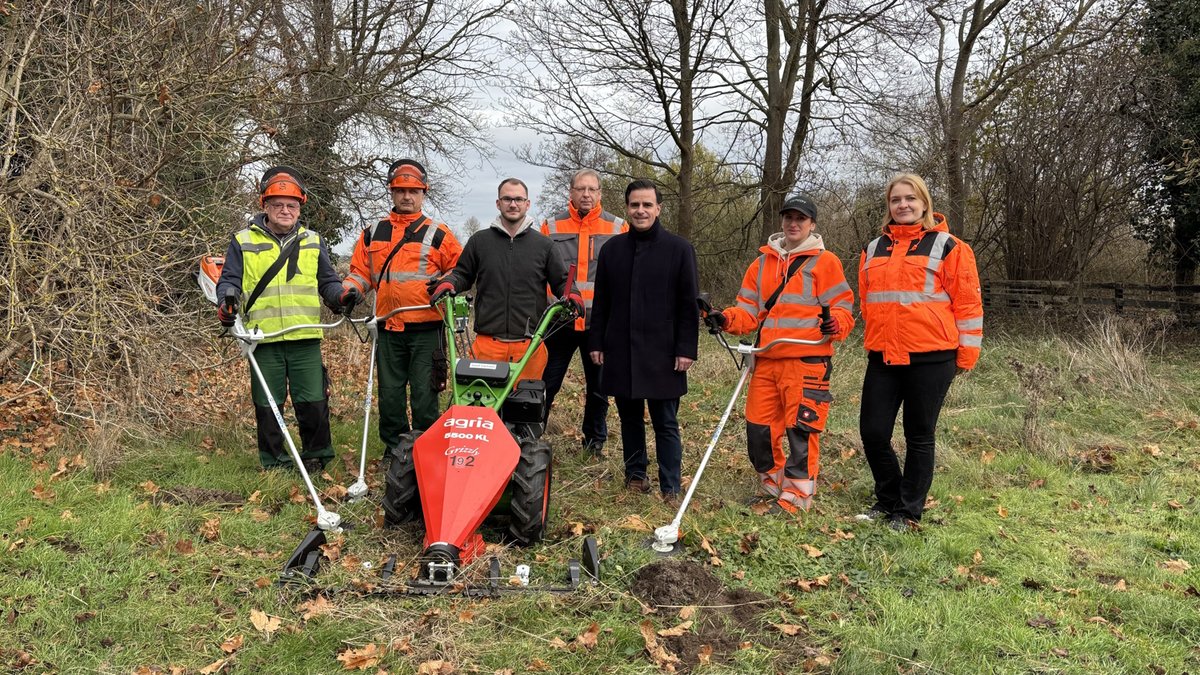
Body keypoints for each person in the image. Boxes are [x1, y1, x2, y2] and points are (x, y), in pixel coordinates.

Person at [704, 194, 855, 515]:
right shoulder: (761, 263)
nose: (793, 223)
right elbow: (747, 311)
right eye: (789, 217)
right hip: (766, 360)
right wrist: (725, 319)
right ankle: (771, 485)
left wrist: (835, 323)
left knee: (801, 431)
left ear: (812, 224)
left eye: (801, 218)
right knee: (758, 429)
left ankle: (797, 497)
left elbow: (844, 310)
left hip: (807, 363)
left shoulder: (826, 263)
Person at [856, 173, 983, 532]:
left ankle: (908, 511)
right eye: (896, 200)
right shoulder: (872, 248)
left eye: (910, 198)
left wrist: (966, 356)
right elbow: (867, 302)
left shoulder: (949, 247)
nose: (903, 205)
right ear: (888, 206)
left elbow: (969, 305)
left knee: (919, 433)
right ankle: (889, 497)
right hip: (883, 357)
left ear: (925, 203)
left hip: (932, 358)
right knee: (873, 432)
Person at [215, 166, 347, 472]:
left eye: (291, 205)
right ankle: (274, 461)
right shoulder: (242, 240)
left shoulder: (313, 241)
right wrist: (228, 302)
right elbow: (229, 281)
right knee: (268, 403)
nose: (285, 211)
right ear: (265, 206)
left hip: (305, 335)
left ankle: (317, 455)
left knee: (313, 400)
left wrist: (341, 297)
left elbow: (327, 282)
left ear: (299, 207)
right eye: (278, 205)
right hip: (264, 337)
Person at [588, 180, 699, 504]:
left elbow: (687, 304)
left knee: (666, 422)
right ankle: (635, 476)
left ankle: (670, 487)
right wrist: (597, 342)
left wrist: (685, 348)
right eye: (635, 205)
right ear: (627, 208)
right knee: (629, 418)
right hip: (621, 349)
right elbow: (603, 301)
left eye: (647, 205)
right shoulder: (612, 250)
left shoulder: (679, 250)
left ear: (658, 209)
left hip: (664, 353)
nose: (641, 211)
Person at [341, 159, 462, 454]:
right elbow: (361, 272)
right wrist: (350, 291)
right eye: (401, 190)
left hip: (426, 328)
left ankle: (426, 450)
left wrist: (447, 284)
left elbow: (461, 269)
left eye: (414, 191)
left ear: (424, 193)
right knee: (390, 395)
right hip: (388, 327)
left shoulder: (439, 233)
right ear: (391, 192)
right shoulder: (373, 232)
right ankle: (395, 450)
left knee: (424, 393)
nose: (407, 196)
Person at [428, 178, 580, 382]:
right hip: (487, 344)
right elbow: (462, 273)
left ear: (527, 204)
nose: (513, 204)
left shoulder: (544, 246)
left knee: (525, 408)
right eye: (507, 199)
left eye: (518, 199)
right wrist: (449, 283)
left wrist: (573, 295)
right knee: (483, 407)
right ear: (498, 203)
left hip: (529, 346)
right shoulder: (479, 241)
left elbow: (561, 281)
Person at [541, 169, 628, 457]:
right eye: (581, 189)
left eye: (592, 190)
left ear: (600, 193)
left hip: (599, 325)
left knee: (599, 389)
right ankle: (533, 438)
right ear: (571, 192)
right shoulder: (550, 227)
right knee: (545, 384)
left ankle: (594, 443)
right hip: (559, 323)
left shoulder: (619, 228)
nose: (586, 195)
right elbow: (539, 273)